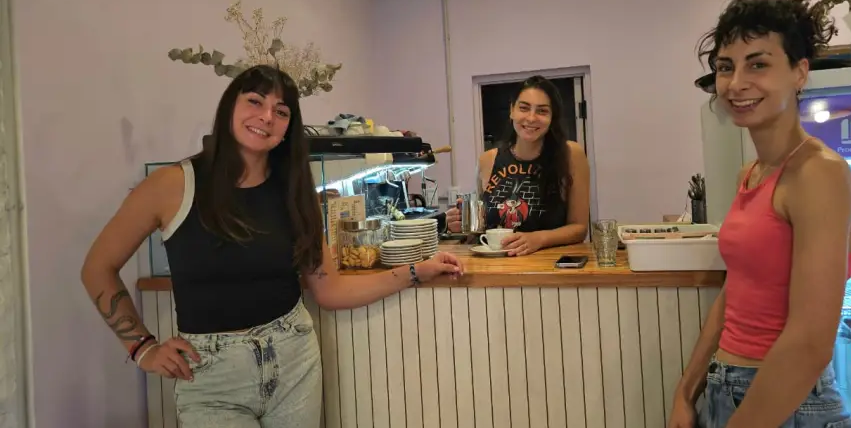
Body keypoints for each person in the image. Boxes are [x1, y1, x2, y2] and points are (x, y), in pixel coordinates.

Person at [81, 65, 463, 427]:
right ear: (229, 107)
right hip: (212, 374)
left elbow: (330, 289)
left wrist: (415, 271)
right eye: (254, 101)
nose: (266, 116)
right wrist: (142, 348)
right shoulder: (173, 184)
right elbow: (98, 267)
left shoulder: (297, 192)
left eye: (280, 111)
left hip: (294, 358)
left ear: (287, 129)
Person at [668, 0, 851, 428]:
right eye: (725, 67)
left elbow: (811, 343)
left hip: (789, 402)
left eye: (757, 64)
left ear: (799, 72)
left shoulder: (819, 175)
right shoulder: (751, 173)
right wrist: (687, 390)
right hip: (728, 388)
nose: (736, 83)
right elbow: (736, 290)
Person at [445, 75, 590, 256]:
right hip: (497, 272)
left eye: (542, 111)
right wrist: (460, 225)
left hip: (550, 270)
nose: (531, 118)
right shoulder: (487, 160)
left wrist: (538, 239)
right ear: (511, 110)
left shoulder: (571, 154)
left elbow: (579, 228)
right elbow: (482, 230)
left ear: (552, 117)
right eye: (524, 108)